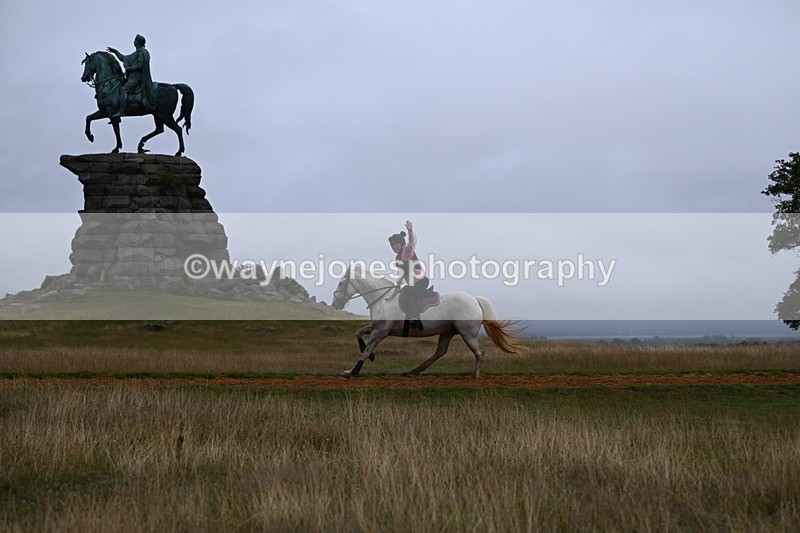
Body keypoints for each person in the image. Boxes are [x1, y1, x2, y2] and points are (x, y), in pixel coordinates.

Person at [388, 220, 430, 329]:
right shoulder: (397, 258)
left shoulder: (406, 250)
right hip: (412, 284)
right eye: (392, 245)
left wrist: (410, 231)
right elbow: (401, 275)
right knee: (402, 294)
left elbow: (411, 242)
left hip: (420, 282)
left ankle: (416, 319)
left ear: (401, 243)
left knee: (409, 296)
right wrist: (397, 285)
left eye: (396, 243)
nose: (394, 246)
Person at [107, 34, 158, 117]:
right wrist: (115, 51)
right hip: (132, 77)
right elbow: (123, 58)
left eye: (135, 41)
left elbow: (139, 65)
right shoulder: (136, 53)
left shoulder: (142, 52)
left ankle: (122, 111)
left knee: (124, 89)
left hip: (137, 78)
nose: (133, 42)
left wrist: (129, 68)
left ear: (138, 43)